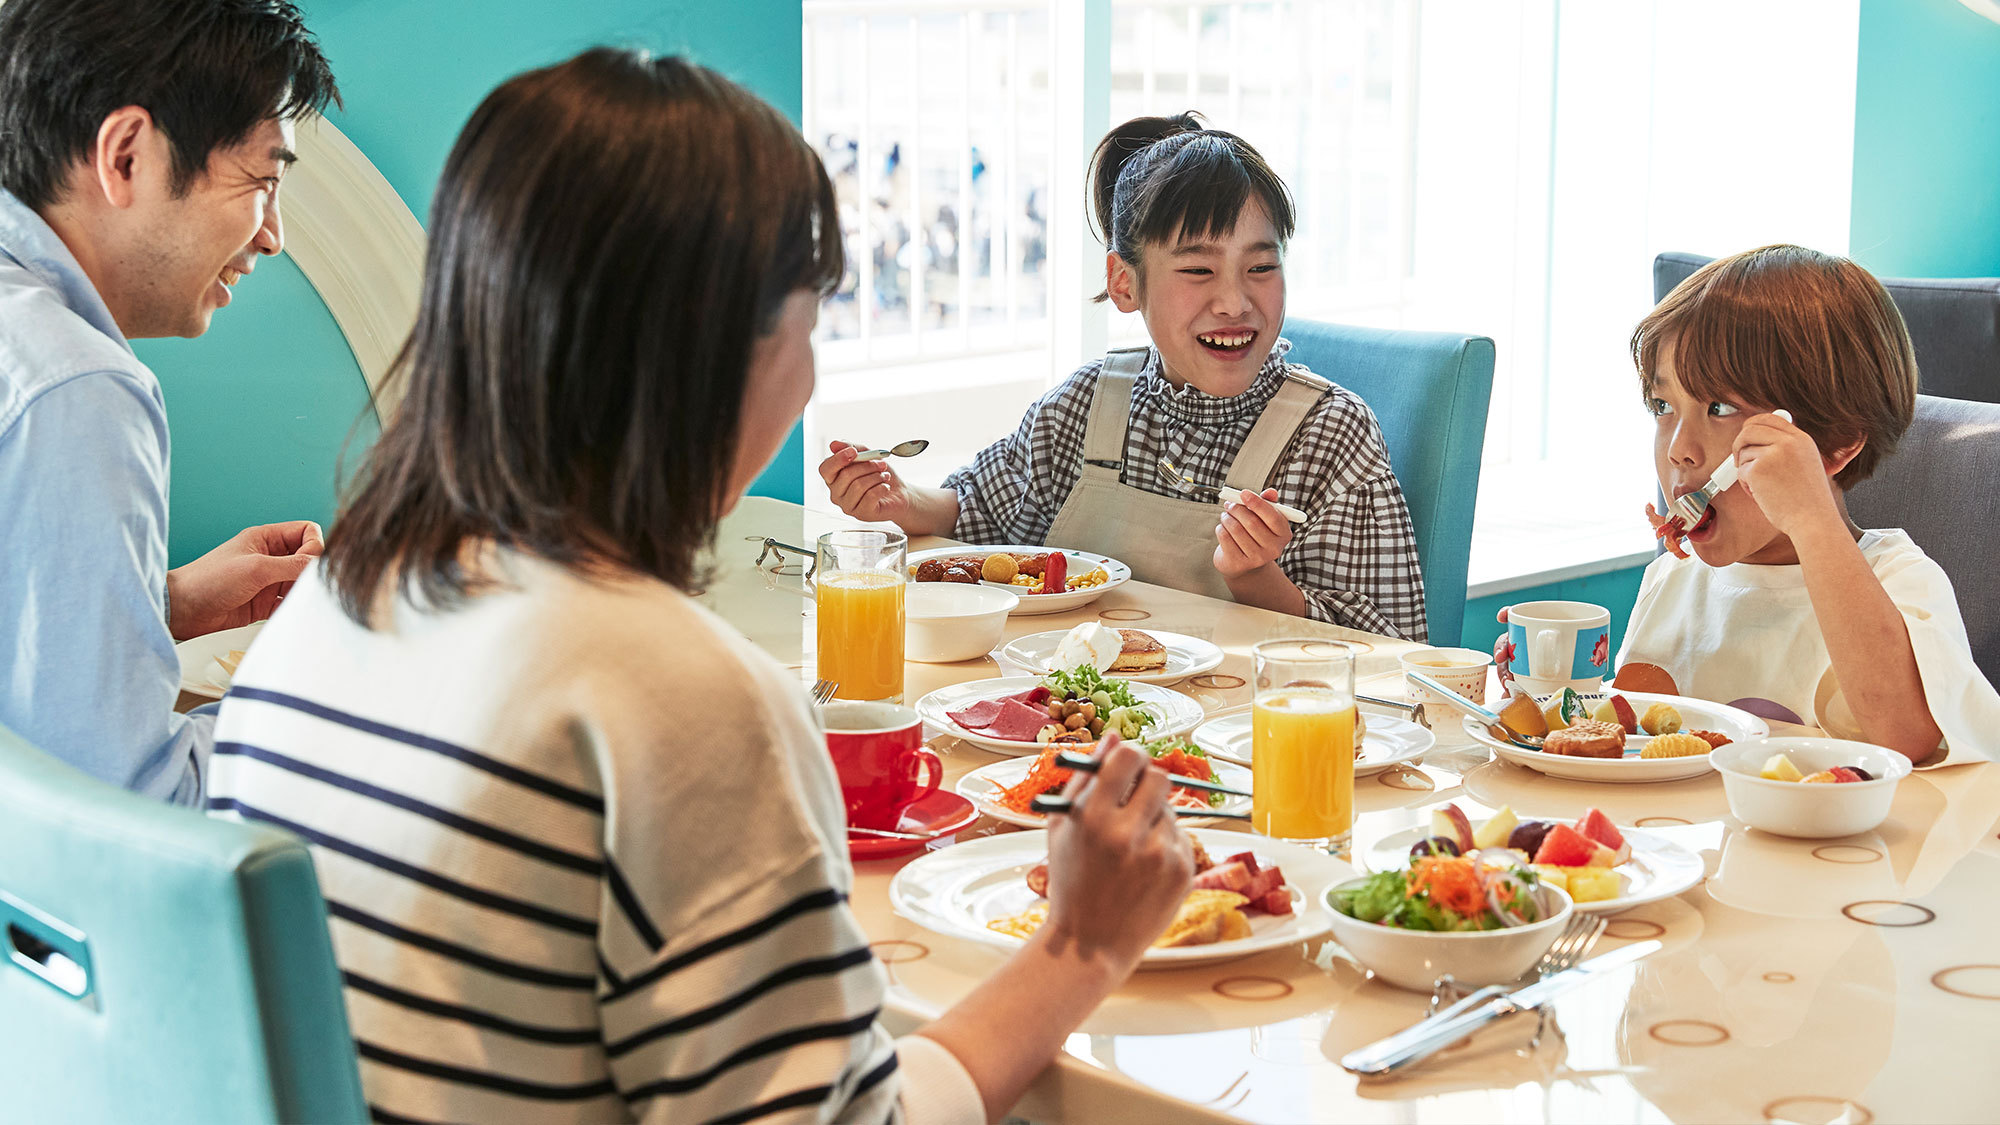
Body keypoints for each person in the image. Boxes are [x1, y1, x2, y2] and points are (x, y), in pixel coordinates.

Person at [207, 49, 1192, 1124]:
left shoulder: (337, 598)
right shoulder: (672, 695)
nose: (807, 372)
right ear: (712, 356)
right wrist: (1082, 945)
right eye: (807, 325)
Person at [818, 112, 1428, 639]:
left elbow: (1394, 656)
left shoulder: (1331, 434)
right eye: (1198, 271)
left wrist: (1255, 576)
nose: (1236, 302)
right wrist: (900, 500)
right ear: (1123, 282)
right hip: (1077, 718)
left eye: (1262, 266)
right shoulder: (1089, 404)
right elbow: (980, 509)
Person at [0, 0, 337, 805]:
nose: (273, 235)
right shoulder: (77, 386)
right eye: (262, 179)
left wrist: (165, 603)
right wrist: (339, 696)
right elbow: (136, 809)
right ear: (126, 156)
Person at [1613, 244, 2000, 760]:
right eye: (1663, 406)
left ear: (1836, 445)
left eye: (1720, 406)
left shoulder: (1899, 581)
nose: (1680, 449)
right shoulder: (1671, 582)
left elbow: (1906, 737)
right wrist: (1553, 697)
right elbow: (1635, 743)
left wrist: (1812, 523)